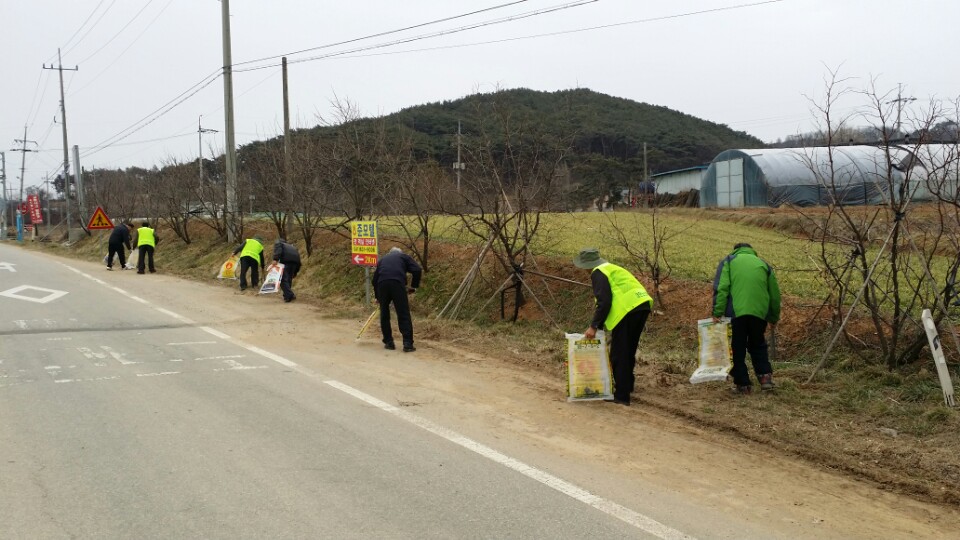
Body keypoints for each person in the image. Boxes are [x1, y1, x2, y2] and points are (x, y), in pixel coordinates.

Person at [574, 247, 653, 406]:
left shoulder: (597, 273)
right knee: (628, 349)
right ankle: (628, 385)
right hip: (641, 305)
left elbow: (604, 302)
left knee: (618, 354)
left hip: (627, 311)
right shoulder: (611, 268)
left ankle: (622, 396)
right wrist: (600, 325)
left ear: (587, 265)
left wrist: (593, 326)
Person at [711, 242, 781, 394]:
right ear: (751, 250)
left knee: (737, 347)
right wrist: (773, 317)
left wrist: (717, 312)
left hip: (737, 313)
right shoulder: (764, 264)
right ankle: (765, 378)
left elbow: (722, 288)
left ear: (735, 250)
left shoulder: (729, 261)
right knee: (758, 344)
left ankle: (743, 385)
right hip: (759, 313)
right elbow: (775, 295)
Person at [372, 247, 422, 352]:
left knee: (384, 314)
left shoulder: (383, 259)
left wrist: (378, 297)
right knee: (403, 313)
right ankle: (407, 344)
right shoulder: (403, 257)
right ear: (400, 253)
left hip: (382, 284)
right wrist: (413, 286)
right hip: (397, 284)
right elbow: (417, 269)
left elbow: (374, 280)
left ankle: (389, 342)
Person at [273, 238, 301, 303]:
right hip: (295, 263)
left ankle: (290, 295)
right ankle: (287, 296)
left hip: (286, 262)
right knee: (288, 279)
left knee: (282, 280)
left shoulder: (280, 244)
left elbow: (278, 250)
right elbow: (298, 259)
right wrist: (295, 272)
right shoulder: (292, 247)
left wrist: (275, 259)